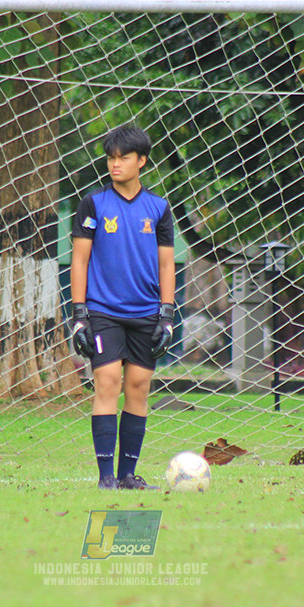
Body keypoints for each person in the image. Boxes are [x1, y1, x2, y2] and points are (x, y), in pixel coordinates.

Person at [70, 123, 176, 490]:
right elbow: (80, 261)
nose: (116, 165)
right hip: (103, 312)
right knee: (108, 383)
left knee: (139, 386)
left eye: (124, 158)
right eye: (111, 158)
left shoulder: (159, 208)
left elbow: (166, 265)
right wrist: (79, 314)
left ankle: (129, 474)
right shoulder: (93, 204)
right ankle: (106, 478)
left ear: (142, 161)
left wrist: (167, 313)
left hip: (146, 313)